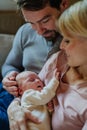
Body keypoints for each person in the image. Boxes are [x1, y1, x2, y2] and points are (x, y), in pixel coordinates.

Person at [7, 0, 87, 130]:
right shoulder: (57, 59)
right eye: (31, 23)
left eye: (44, 21)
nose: (38, 31)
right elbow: (31, 92)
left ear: (63, 5)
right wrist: (14, 106)